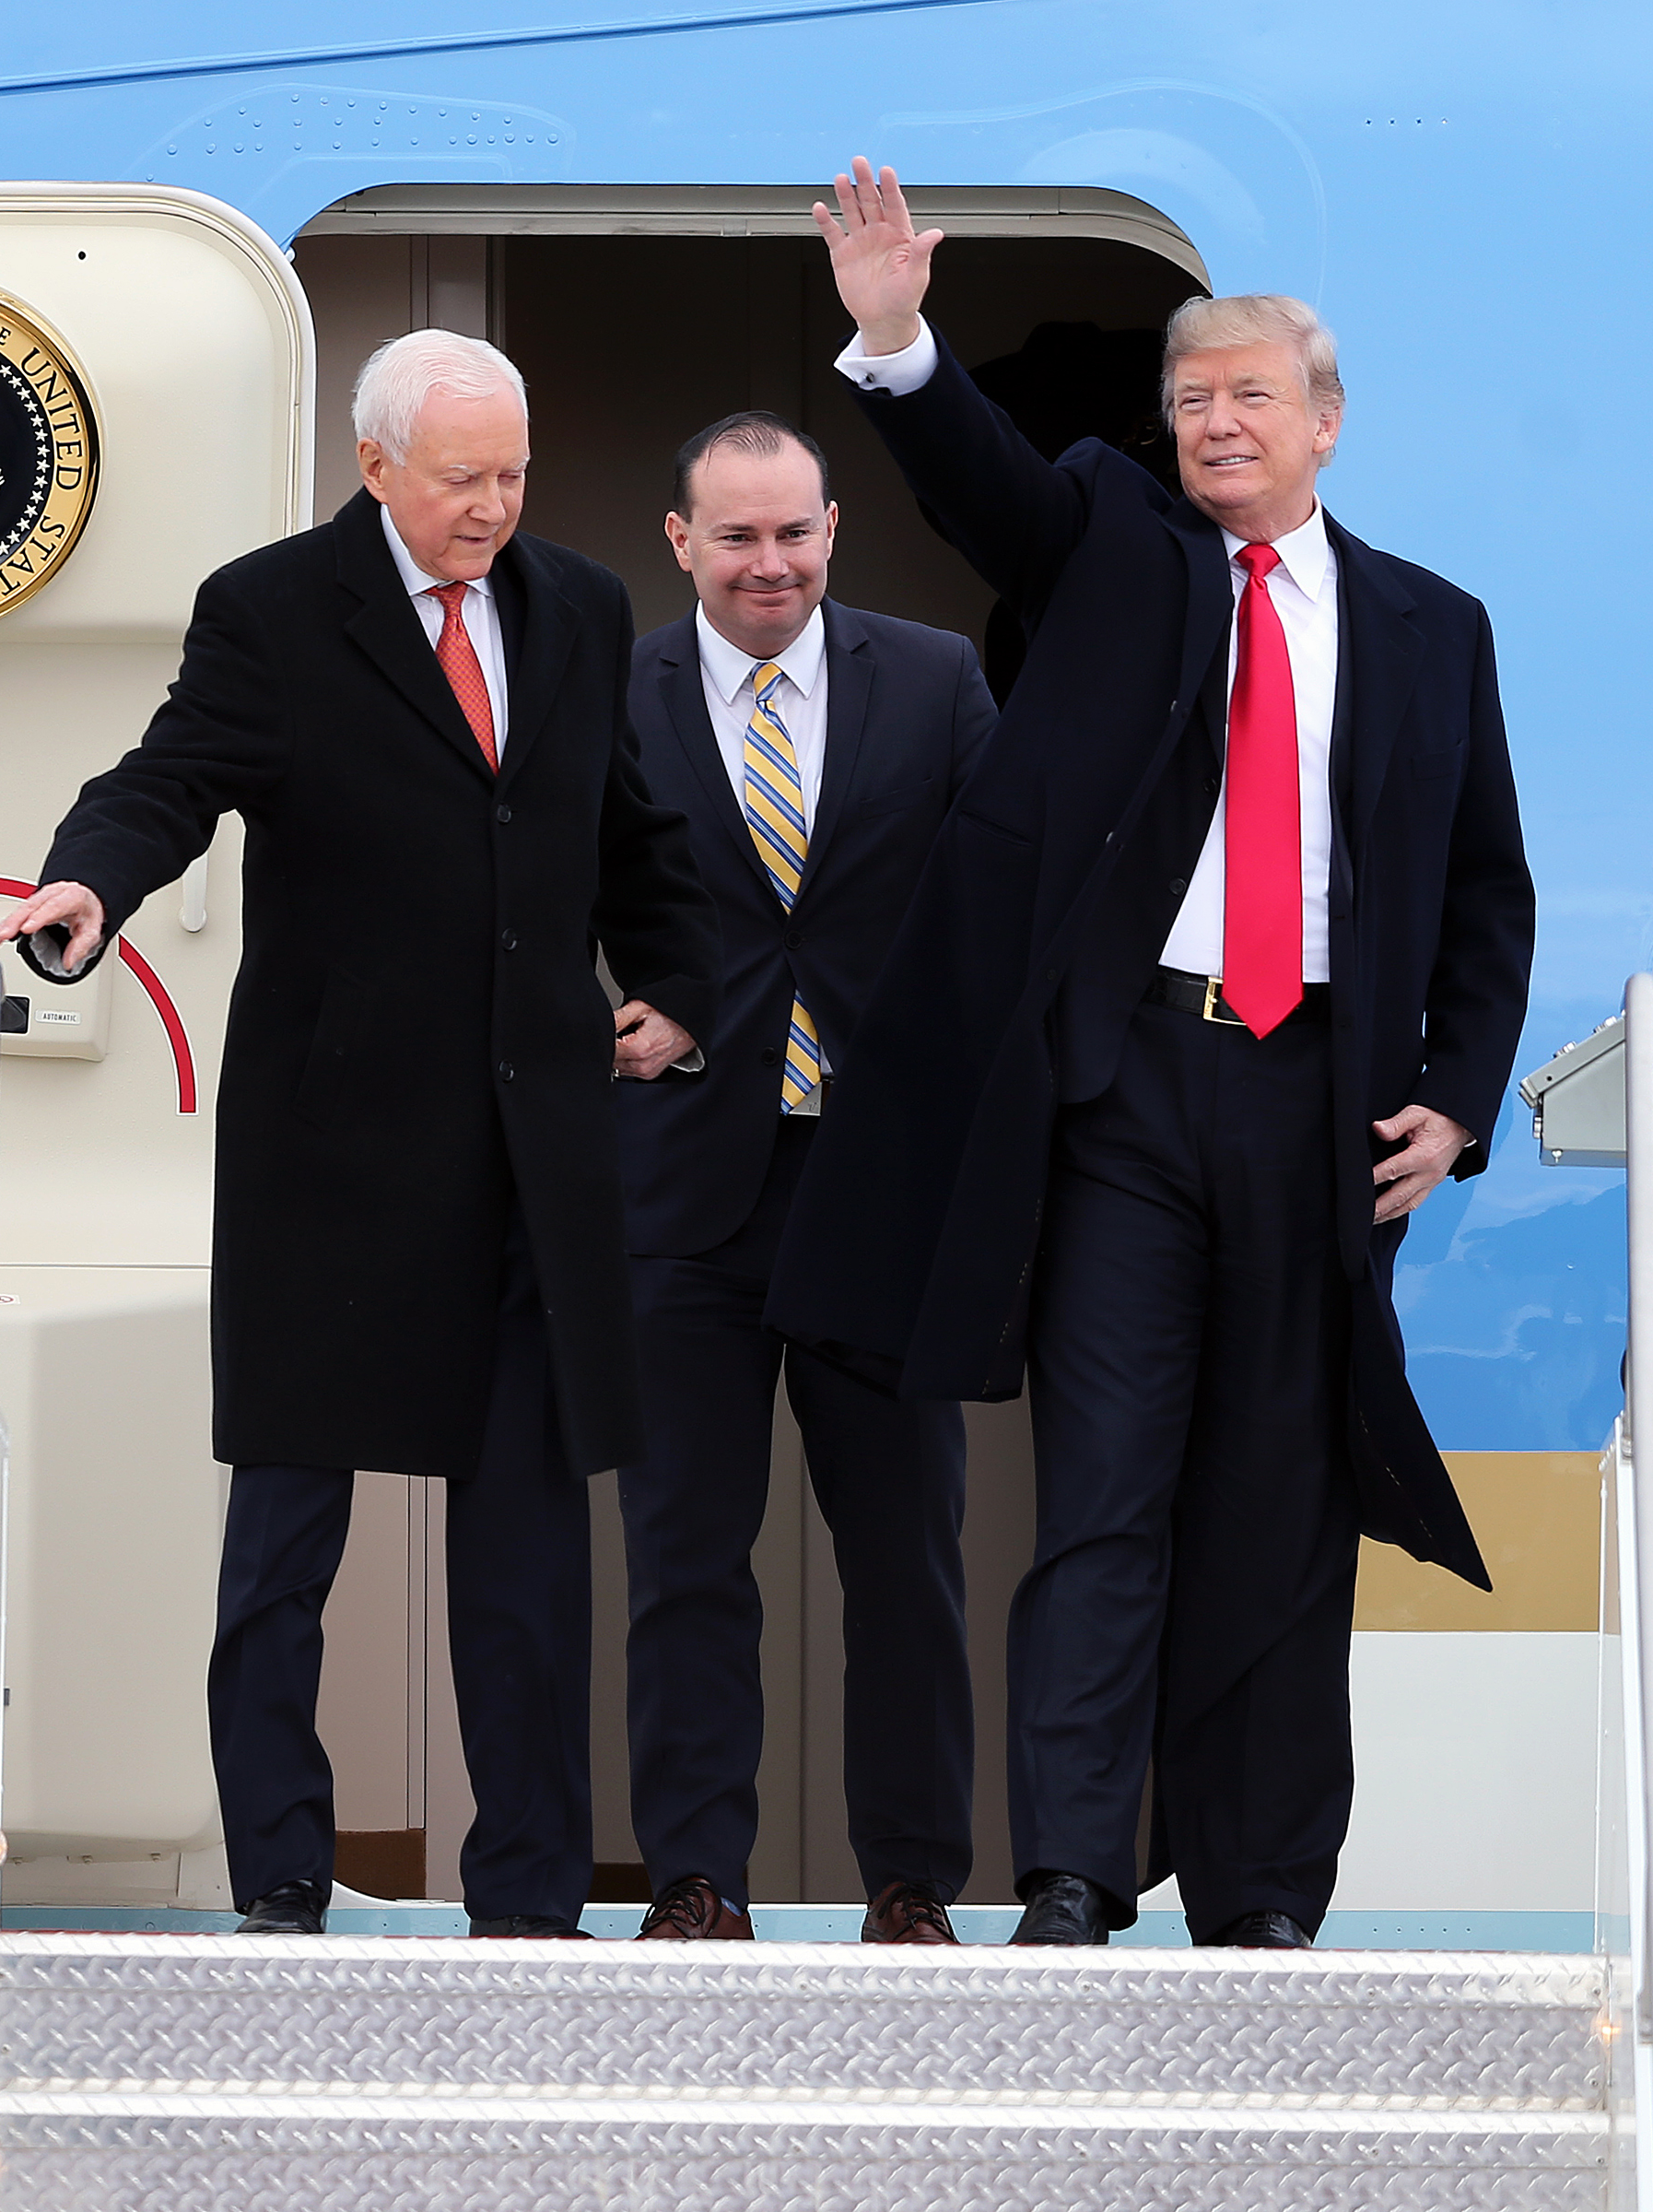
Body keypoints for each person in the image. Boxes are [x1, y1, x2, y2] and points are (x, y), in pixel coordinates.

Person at [771, 161, 1534, 1949]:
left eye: (1247, 394)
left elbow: (1489, 892)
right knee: (1103, 1494)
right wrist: (895, 338)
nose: (1212, 421)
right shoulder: (1116, 542)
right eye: (1189, 397)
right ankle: (1070, 1874)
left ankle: (1262, 1893)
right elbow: (985, 492)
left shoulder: (1432, 628)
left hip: (1323, 1105)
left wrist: (1462, 1101)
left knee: (1280, 1508)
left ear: (1324, 422)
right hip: (1125, 1095)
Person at [0, 329, 720, 1939]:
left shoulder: (579, 606)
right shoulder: (272, 609)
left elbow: (628, 832)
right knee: (286, 1543)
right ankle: (278, 1873)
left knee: (529, 1547)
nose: (493, 507)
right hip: (336, 1150)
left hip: (534, 1147)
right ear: (375, 463)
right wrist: (87, 887)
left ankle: (527, 1895)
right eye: (462, 478)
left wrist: (678, 987)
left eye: (514, 473)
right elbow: (168, 779)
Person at [612, 412, 996, 1945]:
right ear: (680, 540)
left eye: (793, 534)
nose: (767, 564)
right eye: (735, 536)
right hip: (681, 1186)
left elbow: (996, 902)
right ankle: (694, 1882)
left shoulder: (938, 679)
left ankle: (911, 1884)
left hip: (878, 1186)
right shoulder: (608, 688)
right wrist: (595, 1020)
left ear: (831, 527)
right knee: (683, 1556)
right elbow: (521, 889)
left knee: (904, 1560)